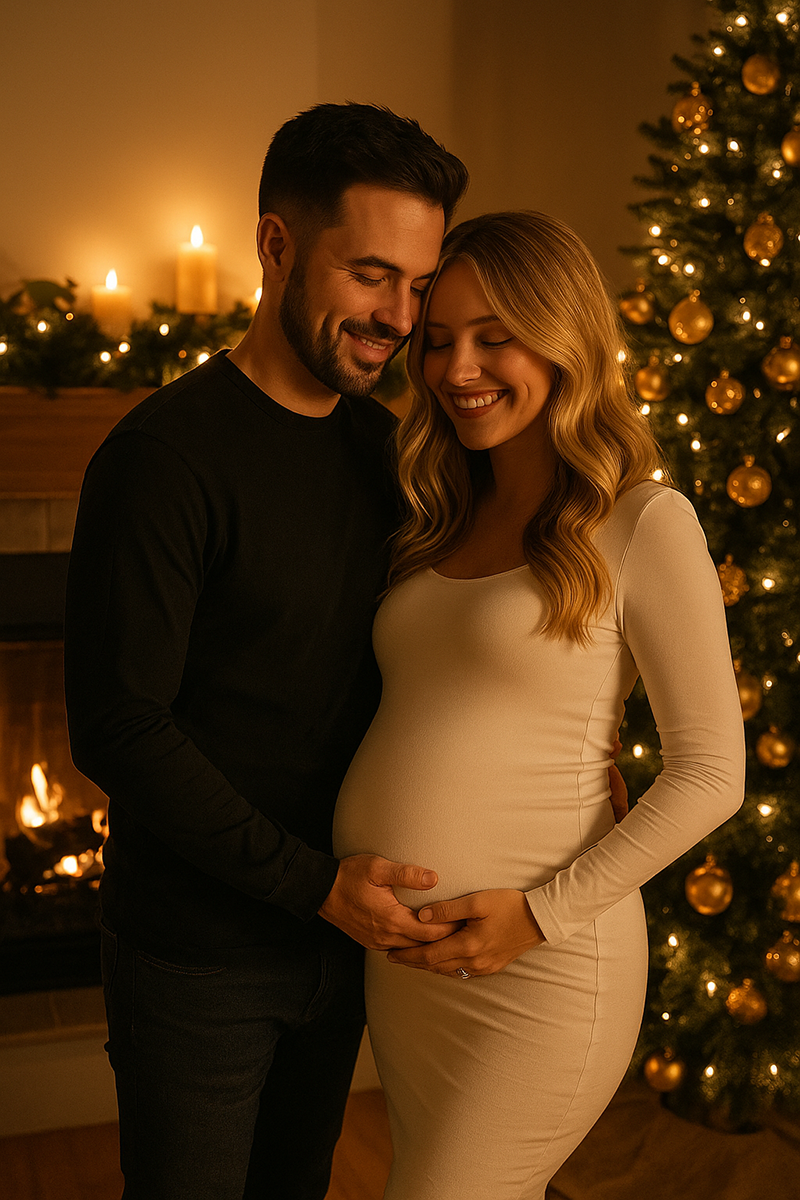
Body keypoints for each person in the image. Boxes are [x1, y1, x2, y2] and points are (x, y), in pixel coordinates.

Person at [63, 102, 469, 1200]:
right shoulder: (161, 457)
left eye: (419, 285)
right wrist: (315, 887)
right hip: (198, 958)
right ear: (276, 245)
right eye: (369, 274)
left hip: (342, 946)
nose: (398, 318)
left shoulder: (393, 455)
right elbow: (118, 726)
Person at [333, 210, 746, 1200]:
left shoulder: (643, 519)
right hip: (409, 971)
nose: (458, 369)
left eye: (494, 337)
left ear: (562, 337)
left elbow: (711, 774)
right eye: (438, 341)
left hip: (542, 965)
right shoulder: (433, 514)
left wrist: (538, 916)